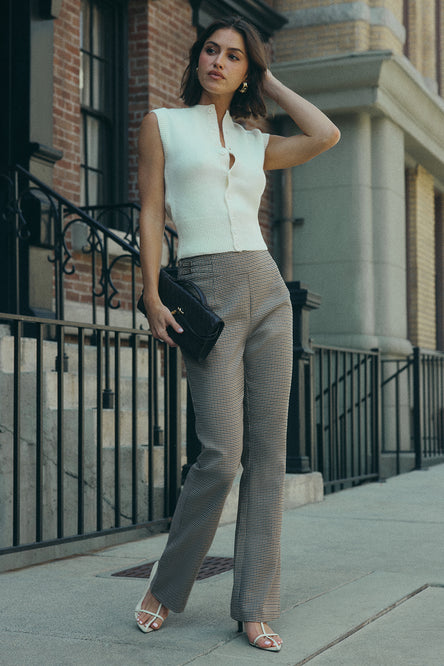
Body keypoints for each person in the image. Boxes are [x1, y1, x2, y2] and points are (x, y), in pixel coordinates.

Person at [135, 15, 340, 653]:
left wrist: (271, 81)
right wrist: (148, 293)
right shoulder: (163, 124)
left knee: (269, 459)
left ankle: (254, 605)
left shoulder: (257, 140)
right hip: (206, 288)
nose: (218, 62)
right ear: (196, 57)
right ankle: (166, 587)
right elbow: (148, 210)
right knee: (221, 454)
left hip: (267, 290)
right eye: (211, 50)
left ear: (246, 69)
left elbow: (326, 133)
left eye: (233, 56)